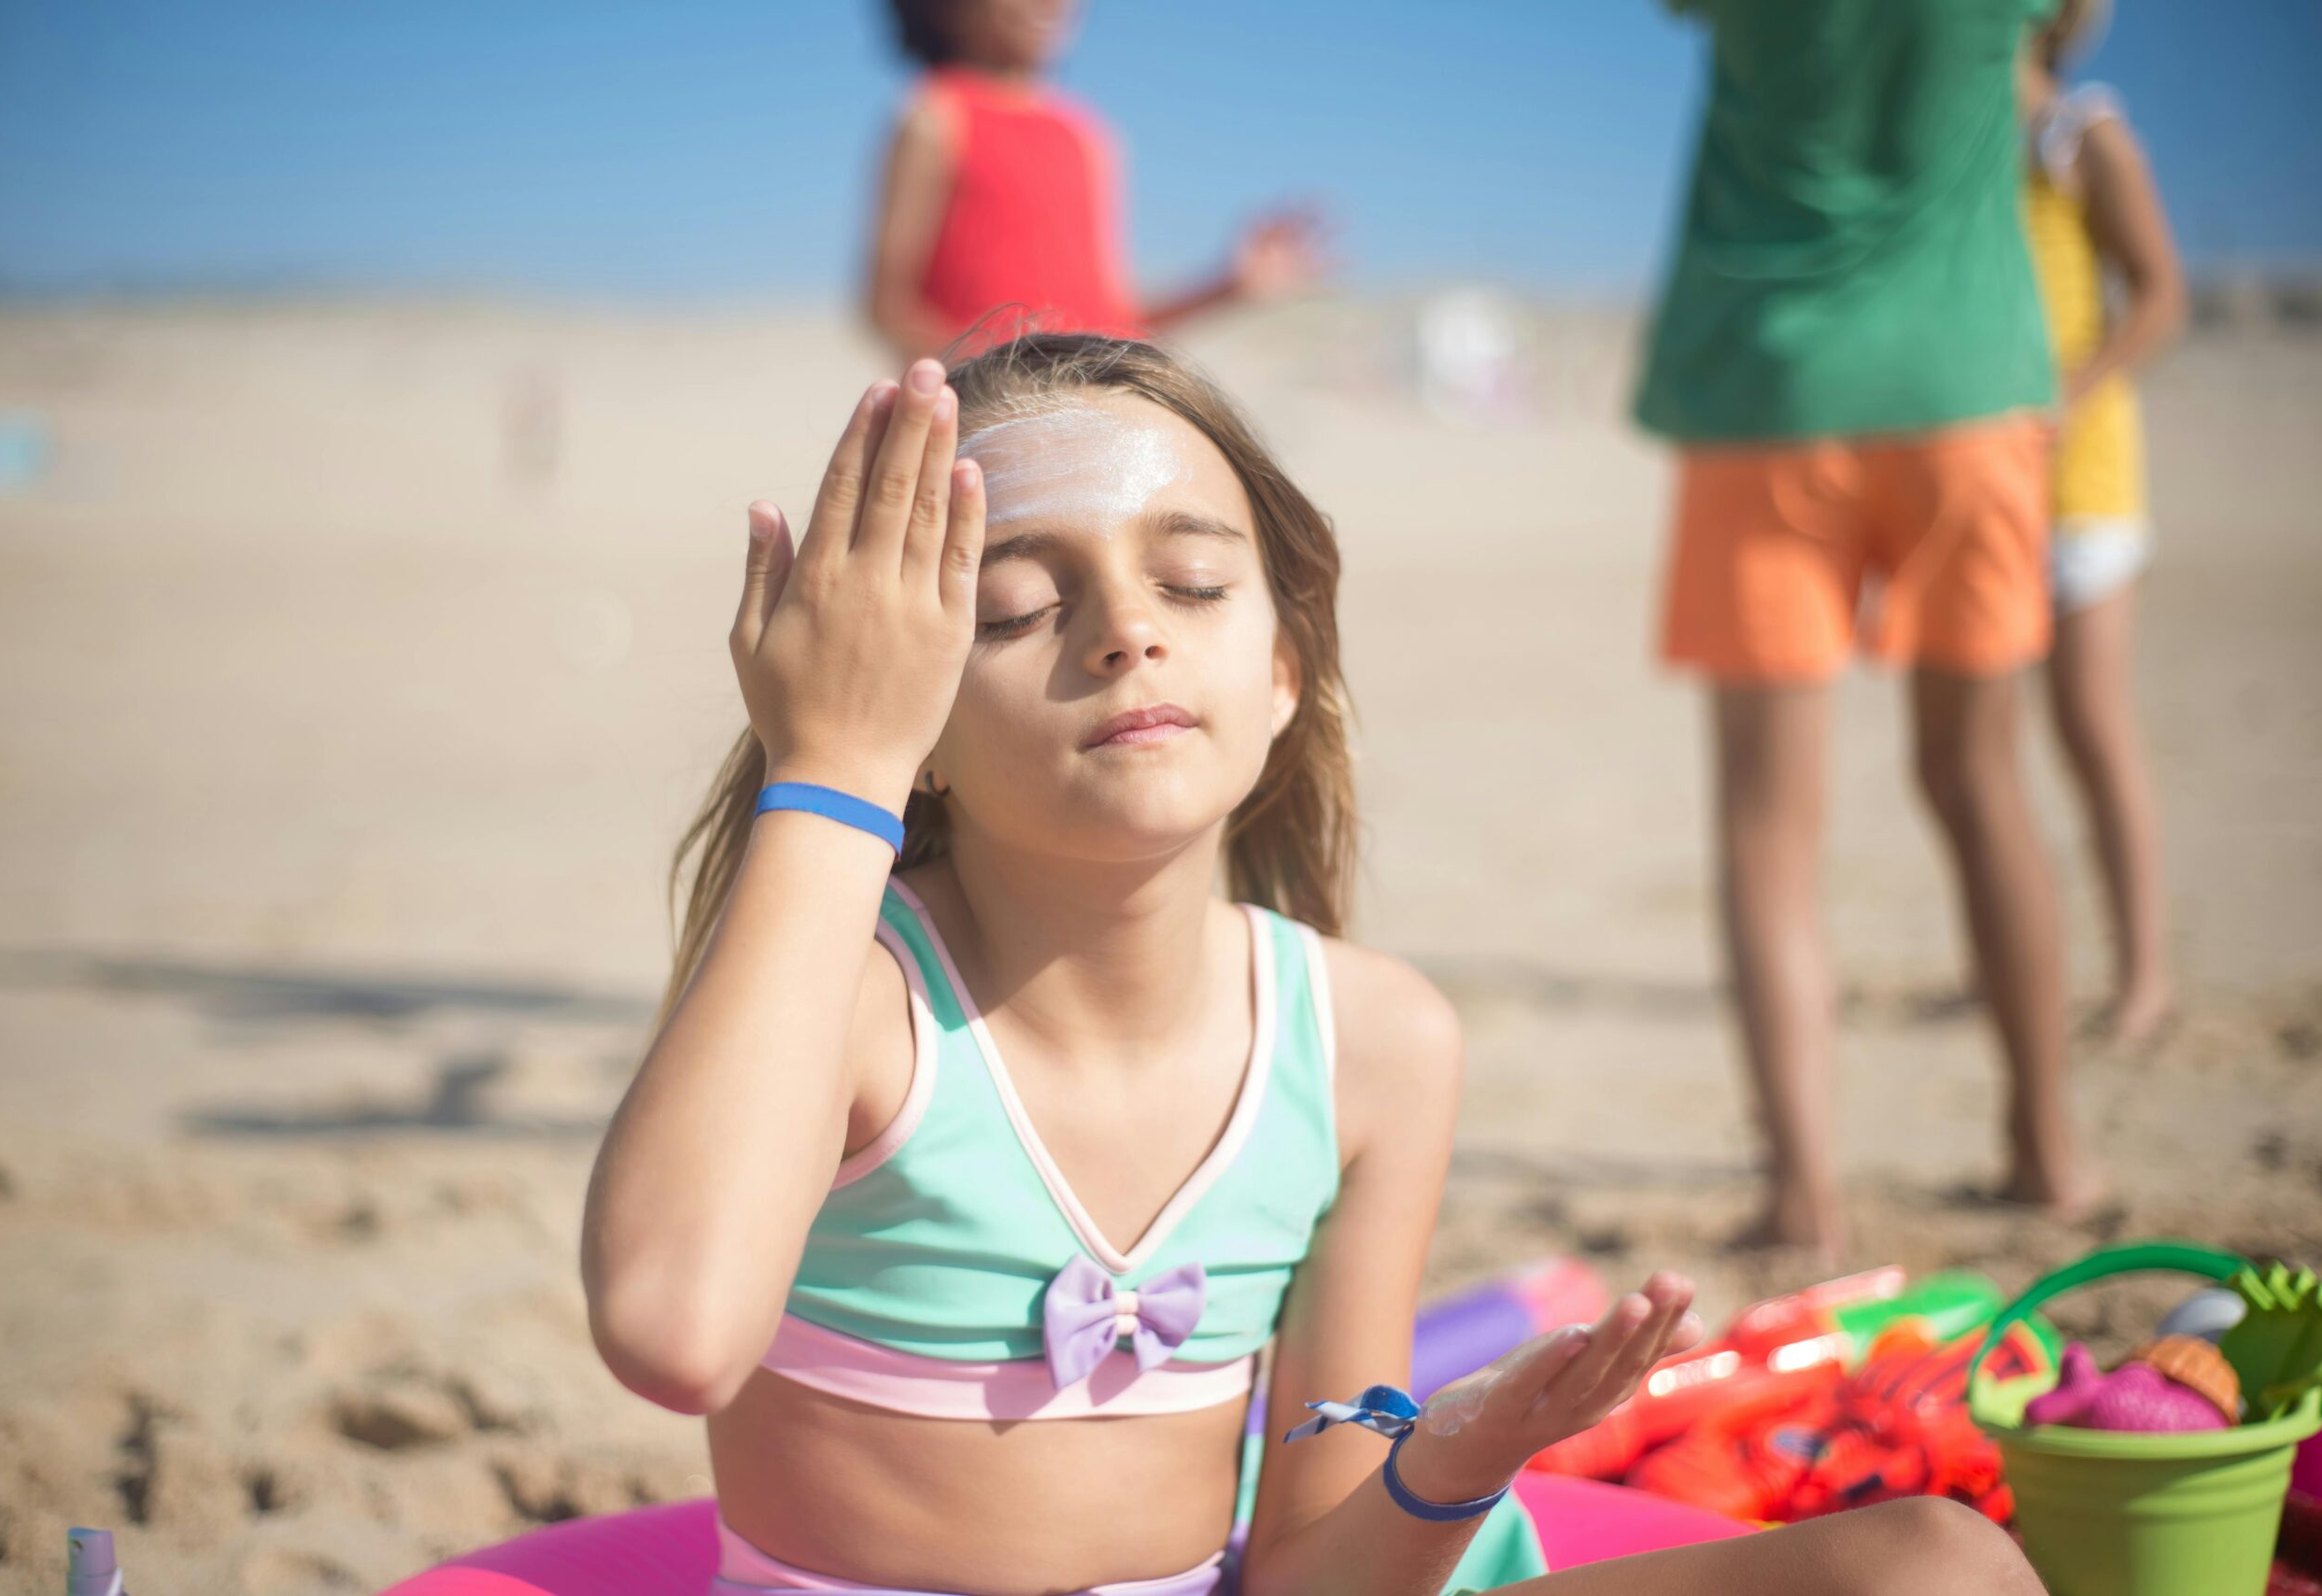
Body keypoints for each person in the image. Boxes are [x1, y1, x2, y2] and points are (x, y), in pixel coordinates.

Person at [580, 333, 2046, 1594]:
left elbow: (1316, 1575)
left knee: (1939, 1563)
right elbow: (672, 1328)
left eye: (1197, 585)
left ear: (1284, 672)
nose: (1128, 635)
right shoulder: (856, 998)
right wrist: (832, 768)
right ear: (920, 718)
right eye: (1022, 609)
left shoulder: (1373, 1042)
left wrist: (1459, 1459)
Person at [1635, 0, 2097, 1259]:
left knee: (1765, 823)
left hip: (1770, 386)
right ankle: (2047, 1149)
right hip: (1967, 385)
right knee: (1983, 779)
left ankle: (1803, 1191)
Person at [2021, 0, 2185, 1049]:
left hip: (2080, 480)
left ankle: (2142, 975)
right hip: (1982, 484)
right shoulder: (1954, 155)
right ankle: (2017, 958)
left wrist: (2067, 398)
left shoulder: (2084, 134)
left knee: (2090, 728)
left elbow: (2159, 296)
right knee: (1982, 748)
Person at [866, 0, 1325, 360]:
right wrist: (996, 377)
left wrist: (1227, 287)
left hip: (1082, 413)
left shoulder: (1090, 136)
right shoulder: (934, 115)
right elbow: (888, 308)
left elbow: (1114, 321)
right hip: (983, 422)